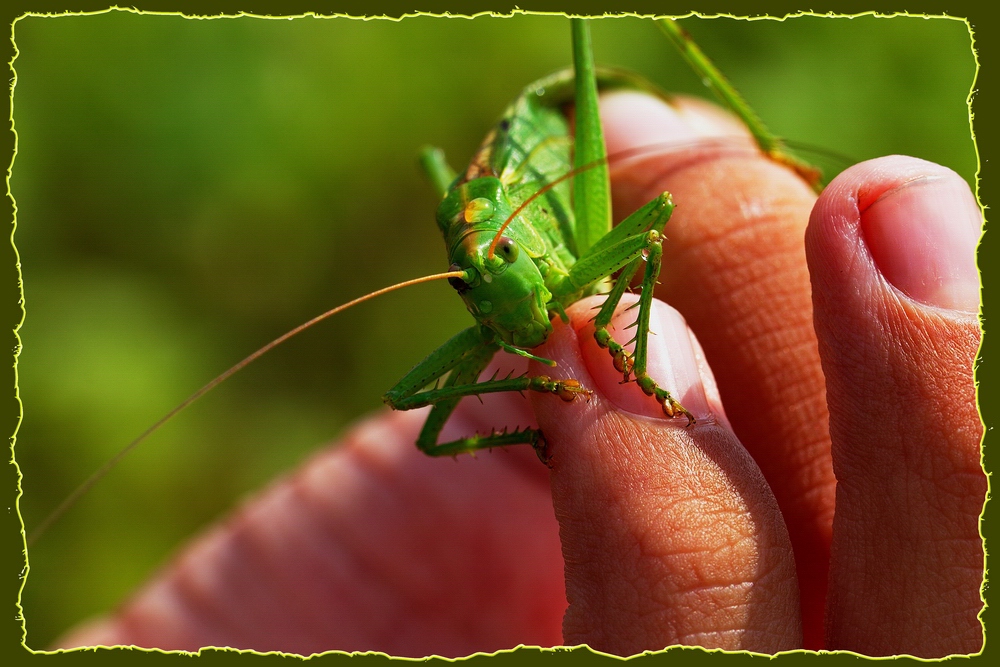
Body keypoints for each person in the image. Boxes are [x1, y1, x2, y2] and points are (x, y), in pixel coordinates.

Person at [56, 91, 985, 659]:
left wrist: (618, 346)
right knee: (413, 404)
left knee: (689, 193)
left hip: (539, 163)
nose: (497, 319)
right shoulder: (480, 293)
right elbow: (417, 412)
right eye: (470, 291)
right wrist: (529, 431)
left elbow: (650, 217)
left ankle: (757, 139)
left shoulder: (541, 246)